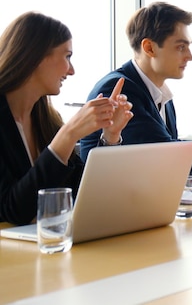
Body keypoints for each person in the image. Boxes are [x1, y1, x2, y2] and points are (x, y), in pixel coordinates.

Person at [80, 2, 192, 174]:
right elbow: (166, 155)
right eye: (181, 47)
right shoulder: (120, 89)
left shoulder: (160, 93)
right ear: (149, 48)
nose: (189, 56)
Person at [0, 12, 133, 225]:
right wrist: (69, 134)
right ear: (36, 56)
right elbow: (13, 211)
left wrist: (110, 135)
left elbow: (82, 192)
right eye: (67, 56)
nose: (71, 70)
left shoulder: (46, 120)